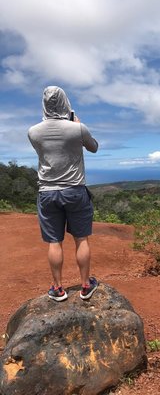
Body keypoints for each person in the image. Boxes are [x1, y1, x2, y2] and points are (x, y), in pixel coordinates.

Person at [28, 86, 99, 301]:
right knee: (81, 239)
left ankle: (58, 289)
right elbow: (94, 147)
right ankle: (86, 286)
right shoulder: (77, 128)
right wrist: (76, 124)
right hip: (75, 191)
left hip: (48, 192)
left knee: (54, 241)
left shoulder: (33, 132)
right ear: (65, 103)